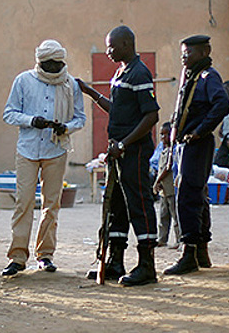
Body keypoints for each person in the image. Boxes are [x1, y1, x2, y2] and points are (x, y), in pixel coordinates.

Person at [77, 25, 160, 286]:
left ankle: (147, 266)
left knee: (139, 203)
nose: (108, 51)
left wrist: (123, 144)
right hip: (119, 151)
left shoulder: (139, 73)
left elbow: (151, 115)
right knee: (117, 205)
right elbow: (119, 110)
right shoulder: (121, 71)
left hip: (133, 151)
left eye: (111, 46)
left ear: (126, 44)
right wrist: (91, 93)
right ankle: (115, 261)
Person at [1, 39, 86, 276]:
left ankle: (45, 255)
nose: (53, 69)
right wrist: (31, 121)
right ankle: (17, 257)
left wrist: (65, 128)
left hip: (55, 150)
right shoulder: (24, 80)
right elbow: (9, 113)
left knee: (51, 205)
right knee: (24, 203)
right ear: (40, 62)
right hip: (27, 150)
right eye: (48, 64)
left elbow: (80, 118)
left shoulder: (70, 84)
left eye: (57, 64)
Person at [163, 35, 229, 276]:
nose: (184, 57)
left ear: (204, 52)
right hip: (185, 146)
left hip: (196, 145)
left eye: (188, 52)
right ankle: (201, 251)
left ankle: (189, 252)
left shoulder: (208, 76)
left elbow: (222, 104)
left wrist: (199, 131)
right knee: (197, 195)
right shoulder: (191, 75)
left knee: (187, 197)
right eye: (182, 52)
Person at [153, 122, 180, 249]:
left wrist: (157, 180)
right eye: (162, 135)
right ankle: (162, 238)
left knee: (176, 215)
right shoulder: (162, 150)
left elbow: (169, 167)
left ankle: (179, 239)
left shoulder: (174, 150)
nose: (163, 137)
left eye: (167, 134)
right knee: (163, 215)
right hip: (164, 189)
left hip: (172, 188)